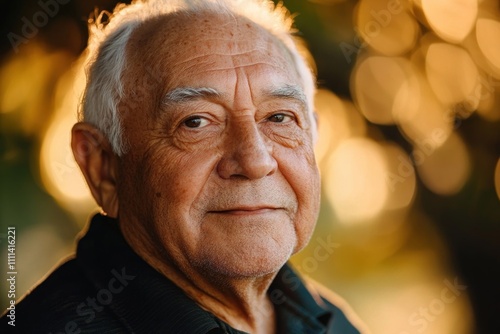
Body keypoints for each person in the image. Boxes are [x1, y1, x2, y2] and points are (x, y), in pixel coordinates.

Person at [2, 0, 367, 333]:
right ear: (102, 167)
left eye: (280, 117)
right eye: (196, 122)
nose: (255, 161)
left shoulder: (331, 321)